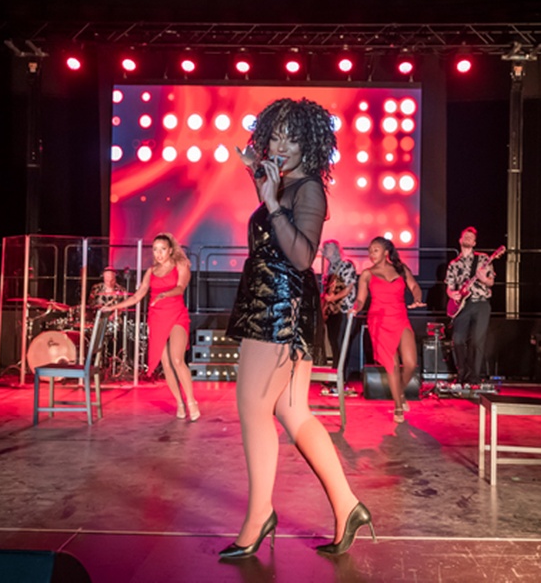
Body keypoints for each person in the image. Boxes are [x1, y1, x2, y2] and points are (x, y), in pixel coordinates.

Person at [221, 98, 374, 560]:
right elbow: (275, 226)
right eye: (274, 136)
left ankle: (259, 517)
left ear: (310, 143)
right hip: (272, 302)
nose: (280, 145)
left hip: (279, 308)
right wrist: (258, 174)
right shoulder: (285, 184)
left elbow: (303, 257)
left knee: (253, 406)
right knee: (292, 411)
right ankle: (347, 506)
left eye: (291, 137)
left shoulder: (308, 190)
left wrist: (270, 200)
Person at [101, 233, 200, 421]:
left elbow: (180, 287)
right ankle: (179, 402)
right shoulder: (151, 272)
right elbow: (137, 296)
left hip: (176, 314)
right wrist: (113, 307)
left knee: (177, 359)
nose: (158, 254)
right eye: (155, 250)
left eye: (162, 249)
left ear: (170, 250)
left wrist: (165, 294)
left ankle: (191, 401)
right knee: (166, 364)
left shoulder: (180, 266)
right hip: (157, 318)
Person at [352, 237, 425, 423]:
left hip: (400, 317)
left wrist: (417, 298)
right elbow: (360, 299)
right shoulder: (367, 274)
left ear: (386, 252)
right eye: (369, 251)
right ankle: (398, 406)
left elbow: (414, 286)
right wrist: (355, 308)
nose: (371, 254)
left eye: (375, 250)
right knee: (392, 365)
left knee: (410, 363)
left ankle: (399, 392)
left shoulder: (400, 269)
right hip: (379, 320)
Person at [445, 226, 495, 385]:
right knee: (458, 339)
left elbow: (491, 282)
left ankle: (474, 376)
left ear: (474, 243)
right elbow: (449, 287)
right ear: (460, 240)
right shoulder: (454, 264)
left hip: (481, 303)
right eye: (465, 236)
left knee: (477, 341)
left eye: (471, 237)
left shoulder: (483, 259)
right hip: (463, 306)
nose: (467, 238)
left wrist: (484, 279)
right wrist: (452, 294)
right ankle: (462, 372)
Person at [321, 240, 358, 393]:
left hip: (345, 310)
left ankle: (341, 379)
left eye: (328, 248)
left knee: (341, 344)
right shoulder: (329, 269)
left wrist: (332, 298)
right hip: (333, 312)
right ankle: (335, 377)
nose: (325, 251)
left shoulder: (346, 265)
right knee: (334, 345)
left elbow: (348, 288)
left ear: (337, 250)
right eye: (324, 248)